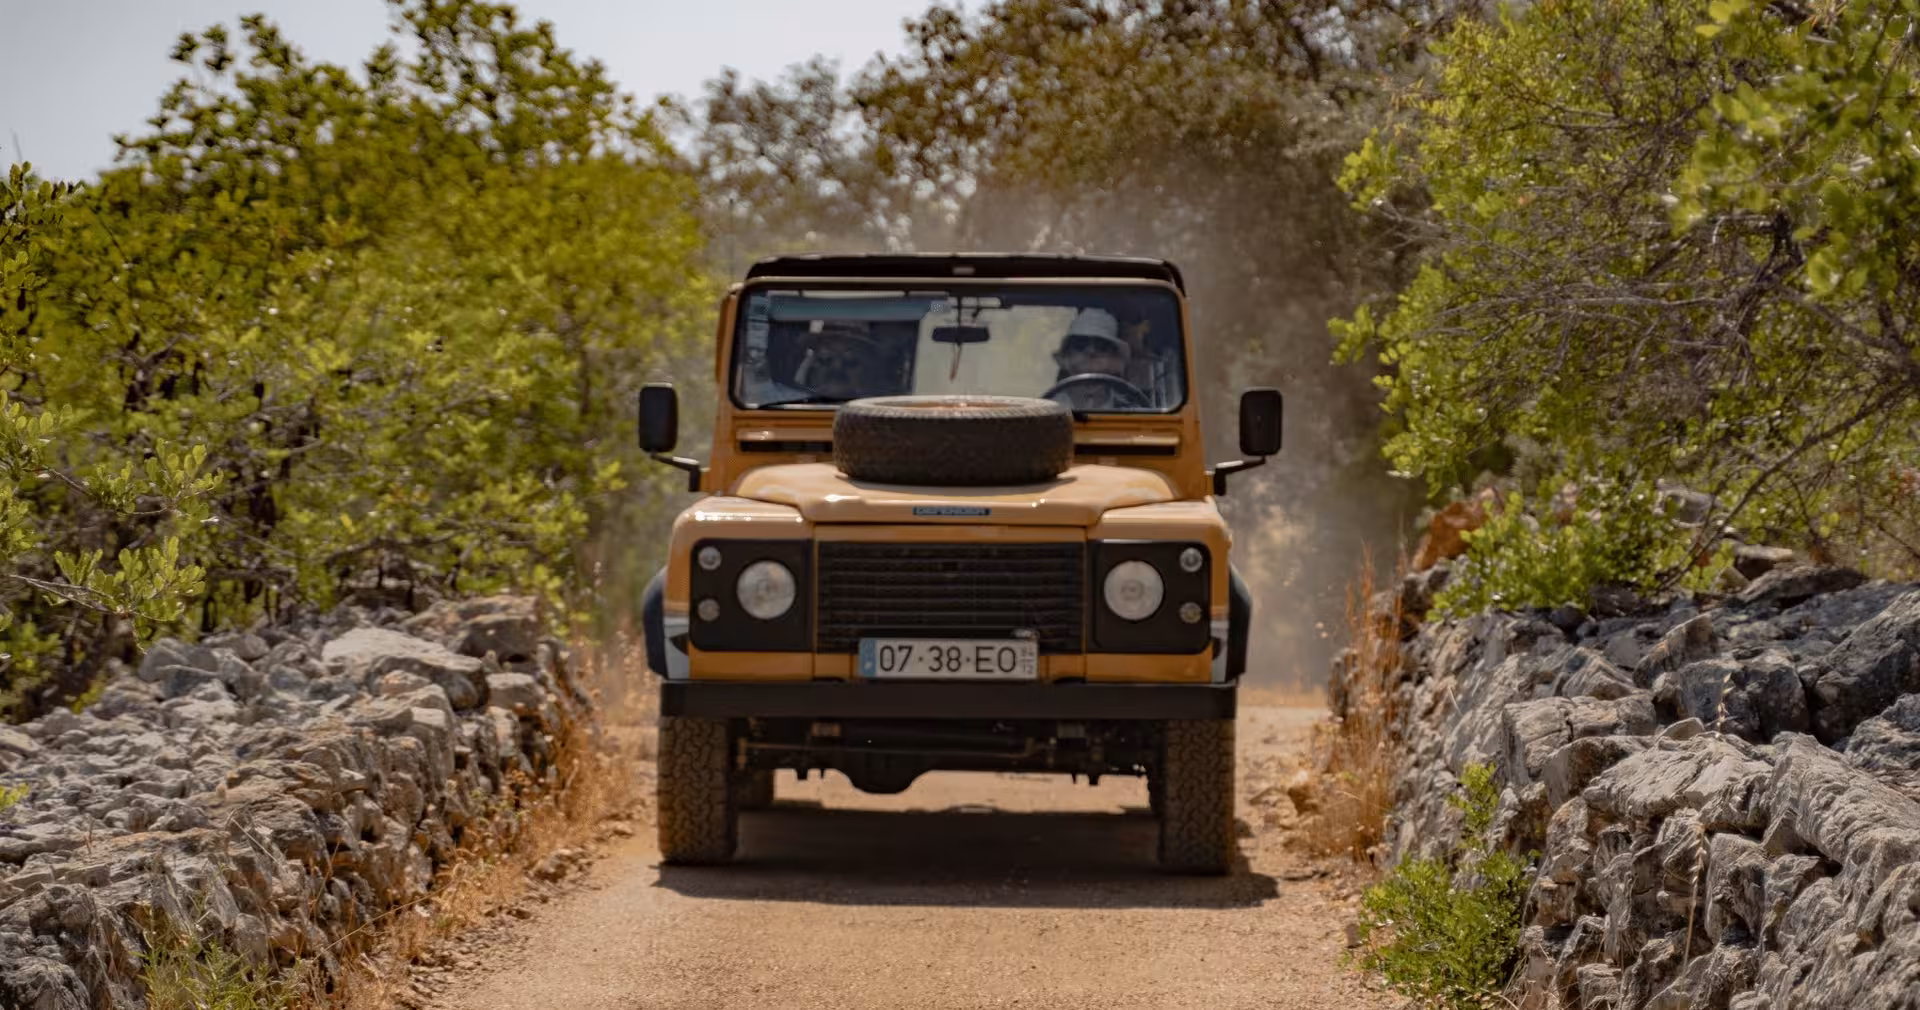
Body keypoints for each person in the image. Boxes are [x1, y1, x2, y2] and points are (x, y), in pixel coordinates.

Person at [1046, 308, 1148, 409]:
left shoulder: (1133, 413)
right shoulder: (1046, 411)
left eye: (1102, 347)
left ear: (1117, 362)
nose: (1091, 352)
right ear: (1065, 359)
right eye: (1080, 345)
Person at [795, 320, 890, 400]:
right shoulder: (795, 405)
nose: (837, 368)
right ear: (813, 366)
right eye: (826, 359)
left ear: (870, 370)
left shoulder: (878, 410)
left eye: (850, 362)